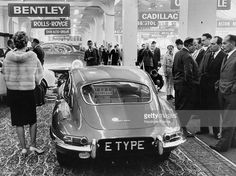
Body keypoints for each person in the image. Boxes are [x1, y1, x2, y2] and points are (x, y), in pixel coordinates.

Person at [2, 31, 44, 155]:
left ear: (15, 42)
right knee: (32, 120)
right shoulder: (32, 56)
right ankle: (33, 145)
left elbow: (4, 73)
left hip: (13, 92)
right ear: (26, 42)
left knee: (18, 121)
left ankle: (23, 148)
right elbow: (39, 77)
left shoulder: (8, 56)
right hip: (28, 92)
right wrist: (35, 81)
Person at [210, 34, 236, 152]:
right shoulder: (227, 56)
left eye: (225, 43)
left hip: (231, 94)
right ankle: (232, 142)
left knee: (228, 120)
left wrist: (233, 89)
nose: (223, 46)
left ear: (232, 43)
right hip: (222, 91)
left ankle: (223, 145)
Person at [197, 36, 226, 138]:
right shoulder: (208, 54)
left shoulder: (223, 56)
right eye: (211, 44)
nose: (211, 46)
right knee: (203, 108)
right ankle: (203, 129)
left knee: (214, 110)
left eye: (213, 44)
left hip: (214, 87)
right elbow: (202, 68)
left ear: (219, 45)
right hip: (204, 85)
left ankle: (216, 131)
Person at [172, 37, 199, 137]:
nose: (195, 48)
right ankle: (183, 129)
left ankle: (179, 127)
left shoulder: (178, 53)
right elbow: (188, 73)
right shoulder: (187, 56)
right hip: (185, 86)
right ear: (189, 45)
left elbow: (174, 69)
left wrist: (176, 80)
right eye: (194, 45)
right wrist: (192, 85)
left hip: (178, 84)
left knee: (179, 107)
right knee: (185, 108)